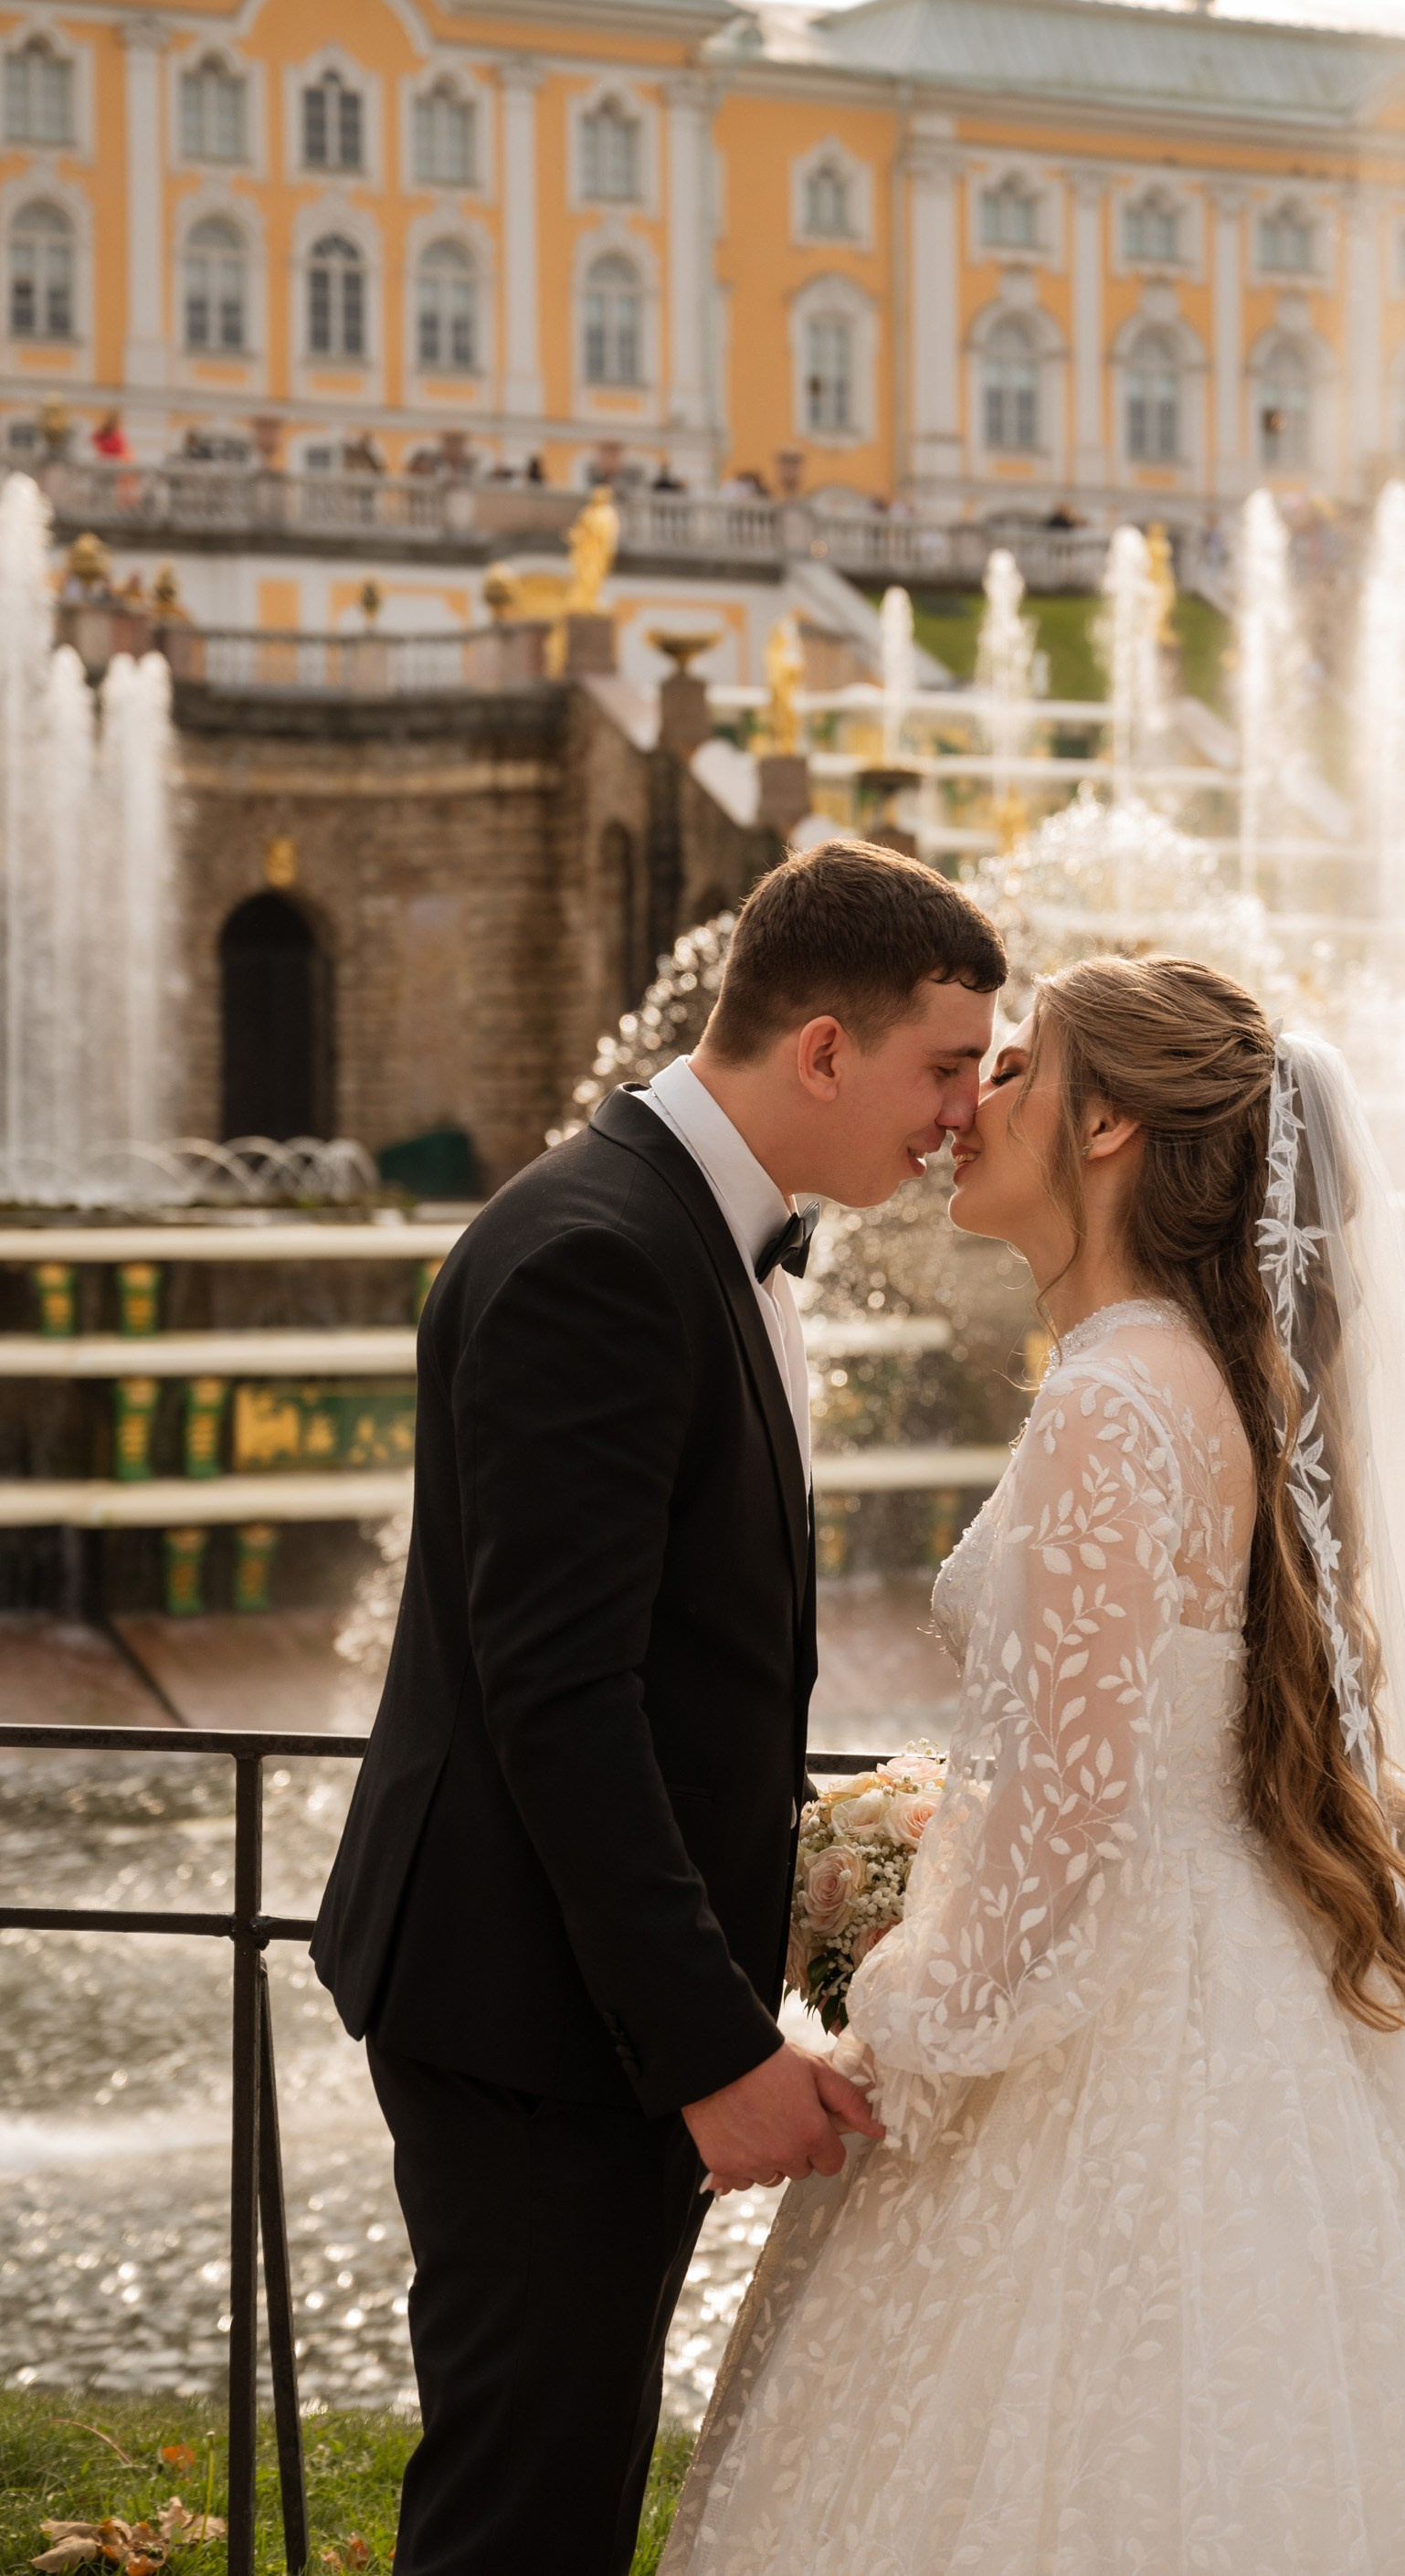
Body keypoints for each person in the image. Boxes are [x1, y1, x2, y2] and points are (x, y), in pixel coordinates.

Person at [664, 957, 1405, 2575]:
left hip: (1121, 2025)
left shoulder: (1111, 1406)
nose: (975, 1101)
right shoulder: (1222, 1386)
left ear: (1114, 1122)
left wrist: (889, 2060)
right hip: (1249, 1968)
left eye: (1020, 1071)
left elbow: (1068, 1828)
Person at [312, 841, 1005, 2576]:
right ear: (825, 1048)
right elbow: (558, 1698)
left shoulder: (682, 1227)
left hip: (573, 2002)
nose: (961, 1115)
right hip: (539, 2017)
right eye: (941, 1067)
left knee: (559, 2477)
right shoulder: (600, 1255)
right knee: (520, 2507)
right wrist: (710, 2046)